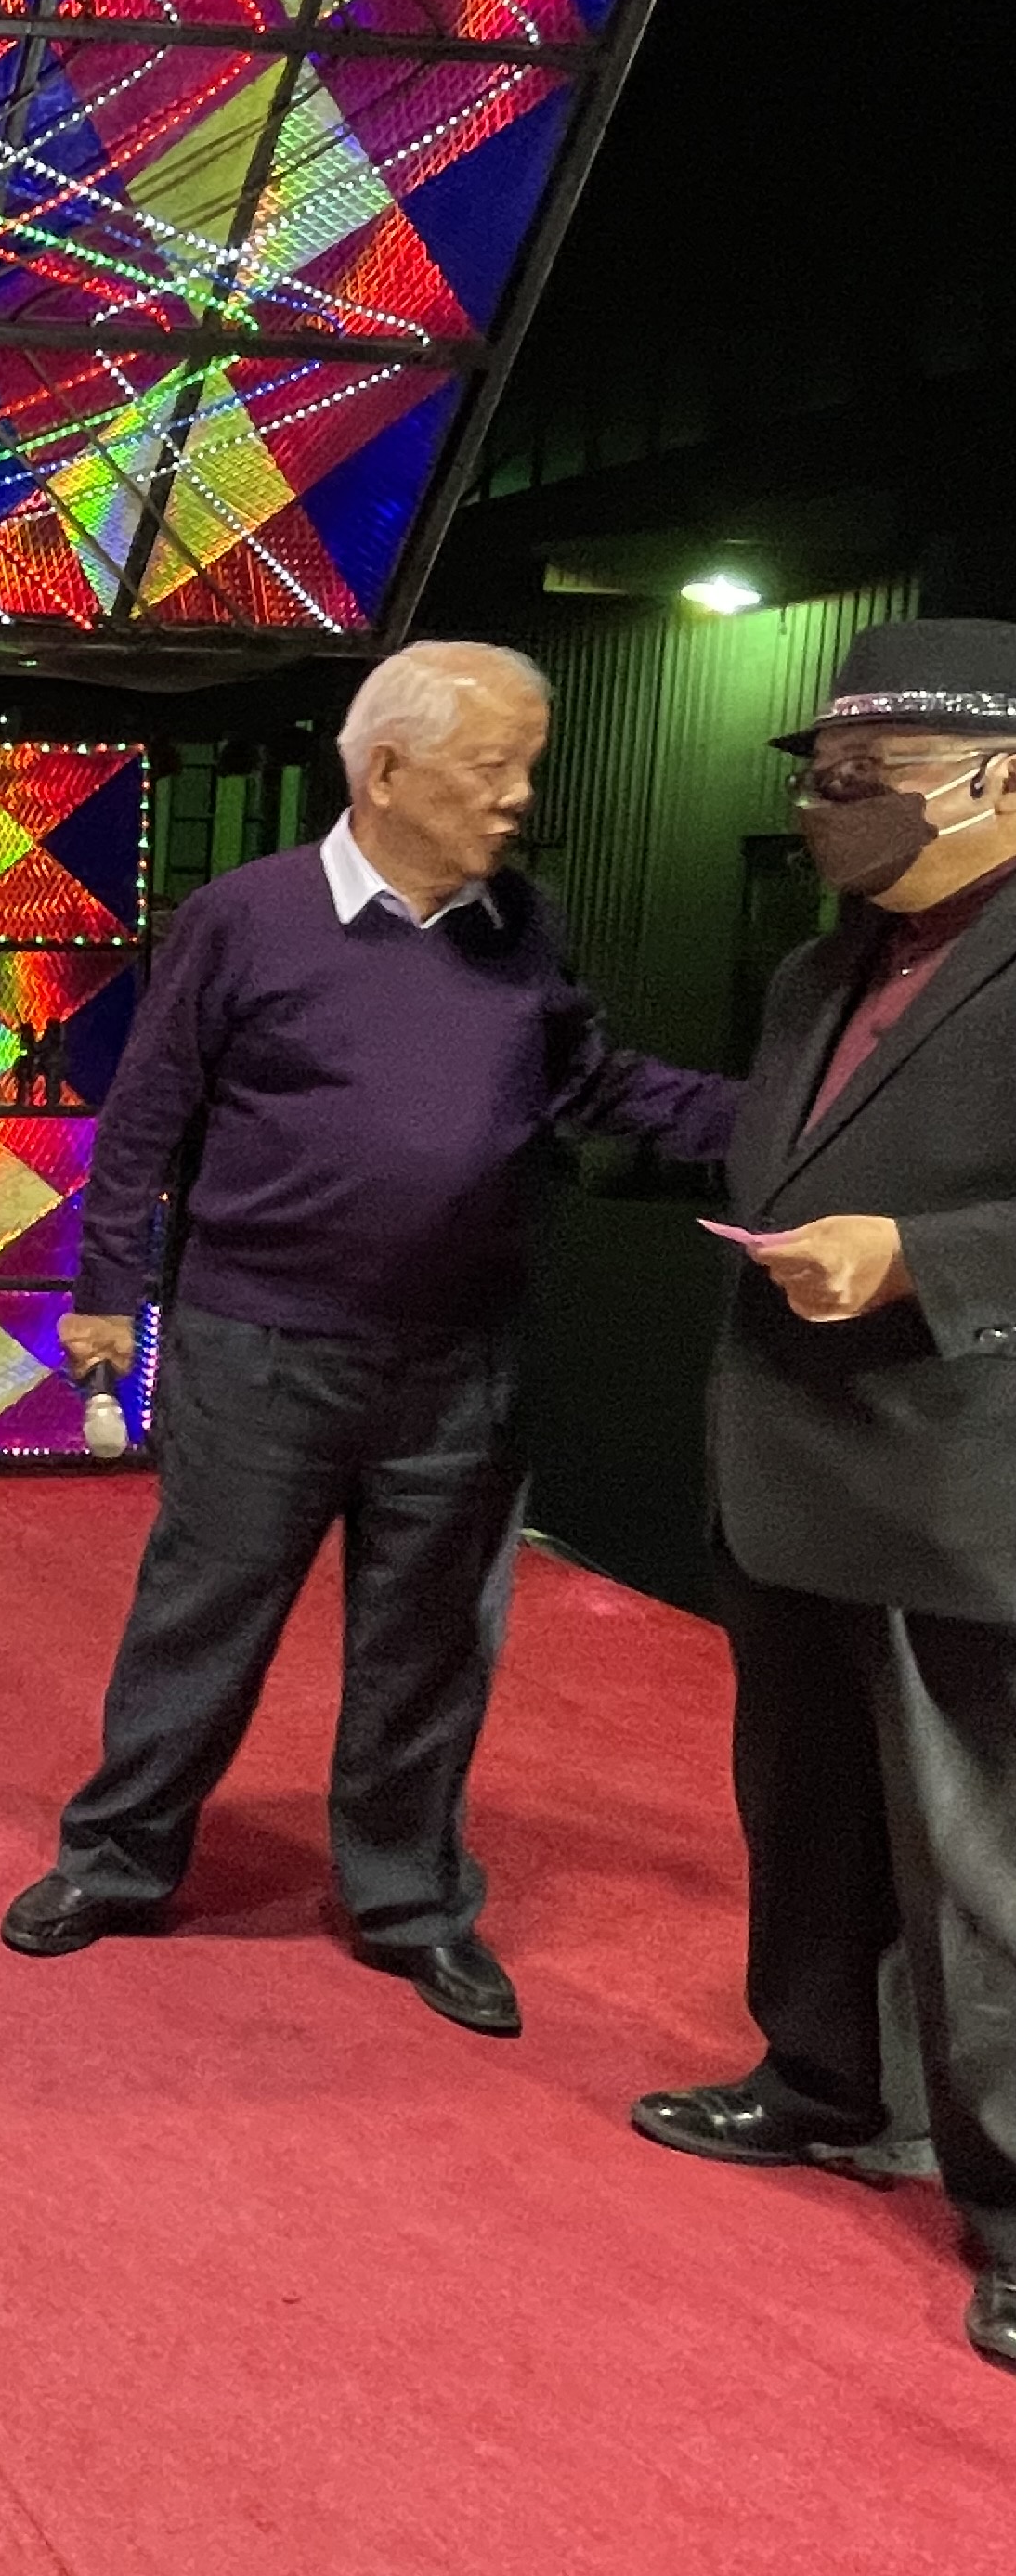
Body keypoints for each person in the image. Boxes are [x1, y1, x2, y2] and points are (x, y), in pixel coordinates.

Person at [0, 641, 736, 2034]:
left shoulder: (523, 925)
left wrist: (795, 1120)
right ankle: (117, 1859)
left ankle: (410, 1903)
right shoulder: (247, 916)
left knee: (432, 1647)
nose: (519, 798)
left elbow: (591, 1081)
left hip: (462, 1359)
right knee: (202, 1620)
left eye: (527, 767)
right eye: (493, 767)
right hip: (257, 1344)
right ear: (387, 770)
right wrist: (106, 1290)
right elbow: (146, 1113)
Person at [626, 617, 1016, 2375]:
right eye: (820, 772)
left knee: (982, 1871)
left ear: (998, 776)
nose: (826, 801)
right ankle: (817, 2078)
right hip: (785, 1464)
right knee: (803, 1814)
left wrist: (922, 1256)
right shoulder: (816, 970)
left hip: (957, 1484)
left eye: (871, 774)